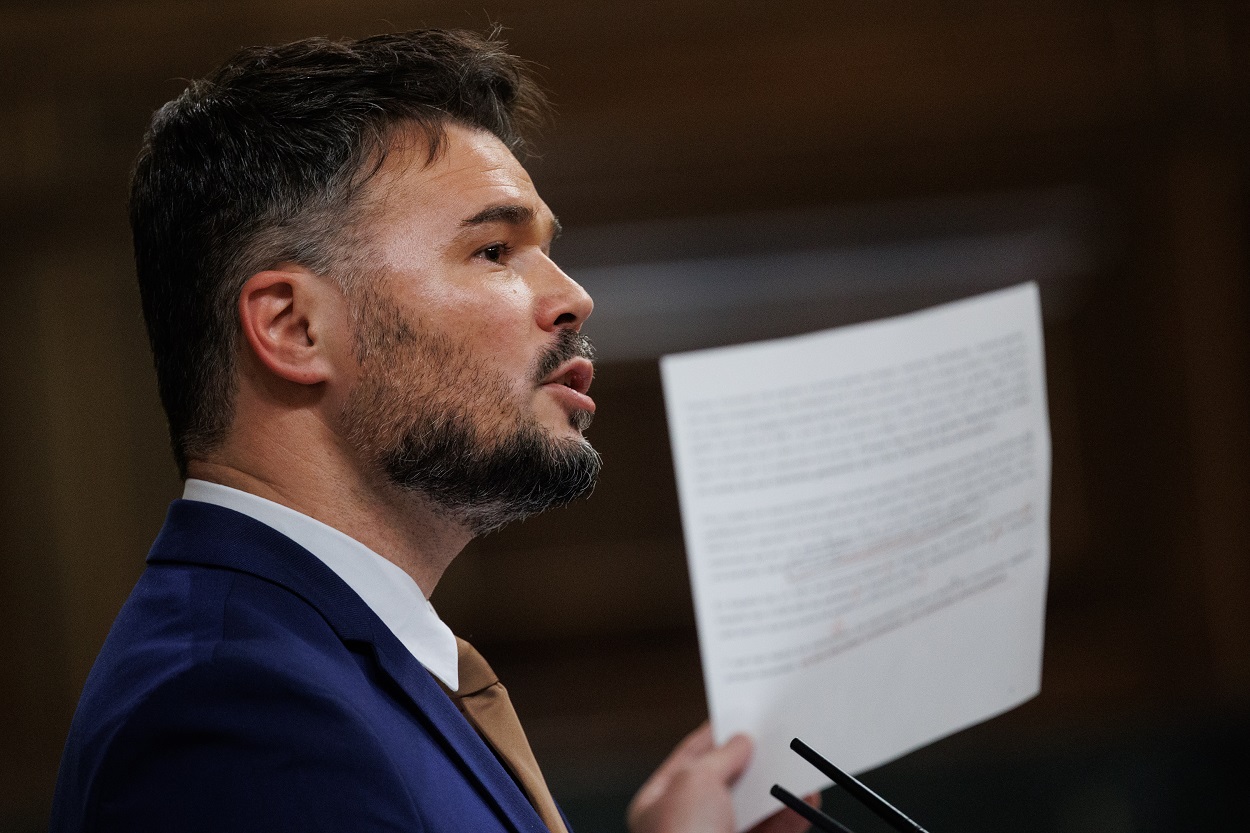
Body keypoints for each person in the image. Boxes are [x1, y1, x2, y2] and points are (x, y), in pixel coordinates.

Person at [50, 29, 814, 833]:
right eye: (494, 250)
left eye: (546, 250)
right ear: (293, 328)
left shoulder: (303, 662)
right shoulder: (232, 715)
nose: (573, 299)